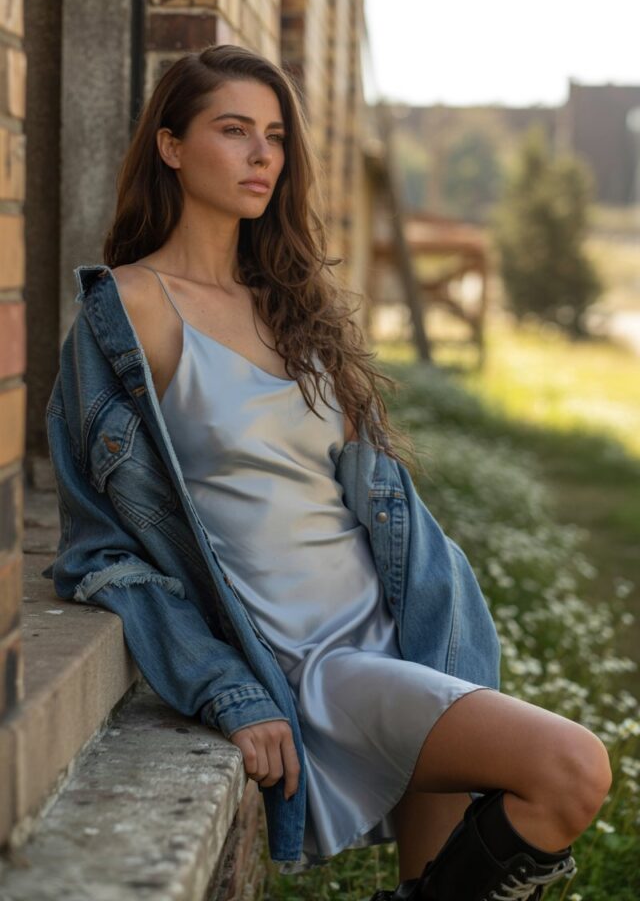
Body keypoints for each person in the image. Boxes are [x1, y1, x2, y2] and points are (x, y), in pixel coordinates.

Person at [45, 44, 611, 900]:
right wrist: (227, 687)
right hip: (314, 663)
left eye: (274, 135)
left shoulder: (290, 304)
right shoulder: (130, 314)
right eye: (233, 131)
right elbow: (101, 553)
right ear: (170, 145)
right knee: (571, 770)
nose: (262, 155)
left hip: (410, 628)